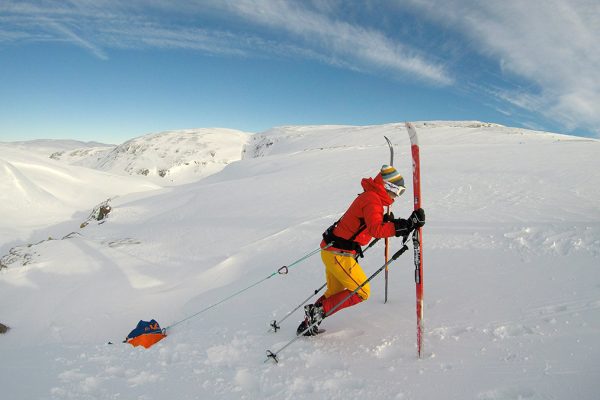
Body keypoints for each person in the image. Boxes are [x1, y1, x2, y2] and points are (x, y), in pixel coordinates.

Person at [297, 165, 425, 336]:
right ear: (388, 187)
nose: (396, 196)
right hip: (338, 254)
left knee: (334, 293)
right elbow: (376, 230)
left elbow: (367, 225)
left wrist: (395, 224)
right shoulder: (373, 200)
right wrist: (406, 225)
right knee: (362, 291)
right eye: (398, 192)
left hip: (333, 251)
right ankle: (316, 313)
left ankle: (309, 322)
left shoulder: (371, 197)